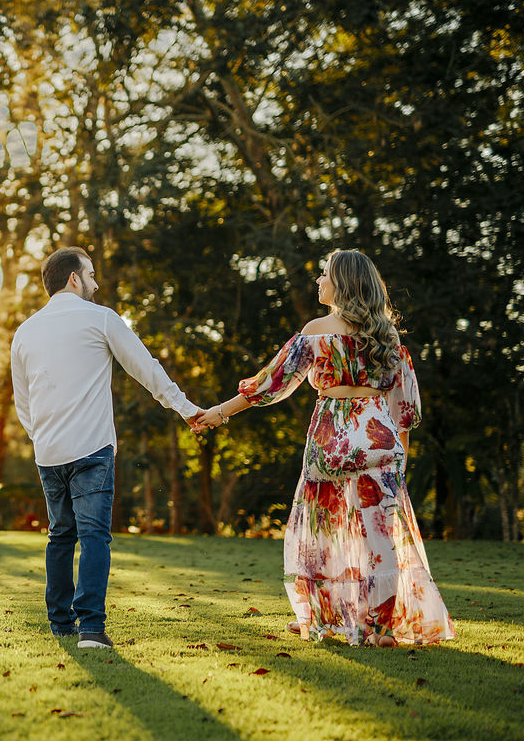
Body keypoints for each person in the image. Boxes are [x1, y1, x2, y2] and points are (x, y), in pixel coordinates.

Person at [195, 249, 455, 646]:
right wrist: (401, 459)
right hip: (378, 439)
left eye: (324, 275)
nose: (318, 281)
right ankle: (381, 628)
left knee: (324, 533)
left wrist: (219, 412)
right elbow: (404, 409)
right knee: (380, 538)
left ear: (343, 283)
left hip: (331, 439)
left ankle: (323, 617)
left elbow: (271, 383)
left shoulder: (316, 330)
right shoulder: (387, 335)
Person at [11, 247, 203, 649]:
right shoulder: (100, 318)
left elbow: (23, 401)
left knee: (60, 537)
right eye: (91, 275)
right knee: (94, 536)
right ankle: (91, 630)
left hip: (49, 453)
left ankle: (61, 625)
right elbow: (146, 369)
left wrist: (40, 437)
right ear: (74, 278)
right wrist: (186, 408)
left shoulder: (24, 331)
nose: (96, 284)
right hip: (91, 448)